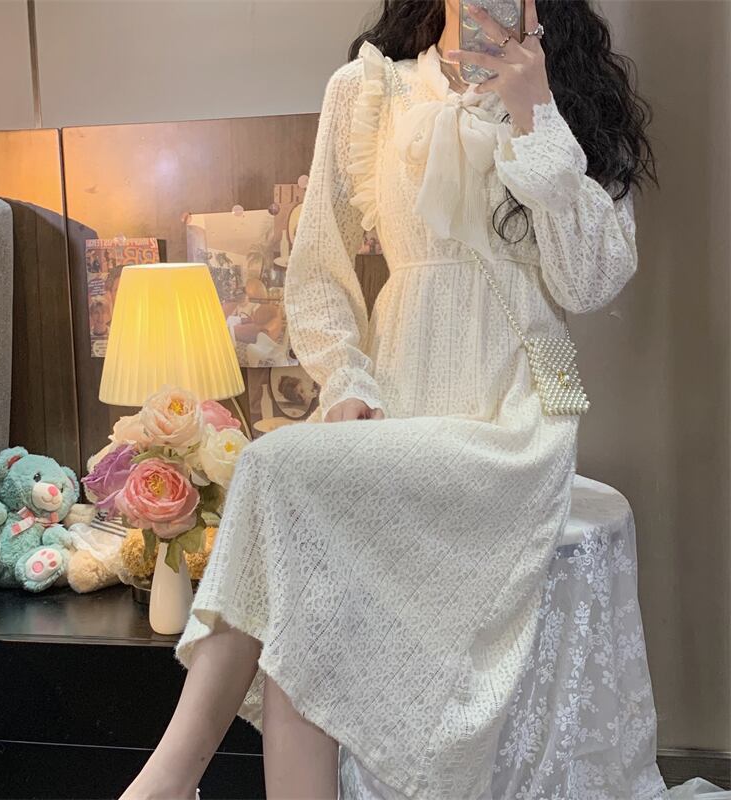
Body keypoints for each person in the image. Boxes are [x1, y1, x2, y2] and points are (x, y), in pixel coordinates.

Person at [119, 0, 657, 798]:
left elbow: (589, 282)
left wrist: (536, 109)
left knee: (272, 470)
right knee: (299, 564)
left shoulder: (560, 92)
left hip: (514, 423)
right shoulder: (368, 89)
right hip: (395, 409)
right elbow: (318, 271)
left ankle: (170, 777)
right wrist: (346, 381)